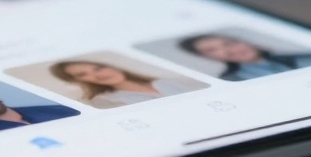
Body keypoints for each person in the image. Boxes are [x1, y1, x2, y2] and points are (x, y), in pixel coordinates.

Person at [48, 60, 209, 108]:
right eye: (83, 74)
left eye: (99, 67)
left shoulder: (168, 81)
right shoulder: (103, 102)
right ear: (78, 81)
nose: (97, 75)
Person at [178, 33, 311, 81]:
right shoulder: (233, 79)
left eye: (229, 43)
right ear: (207, 57)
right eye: (212, 50)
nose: (229, 51)